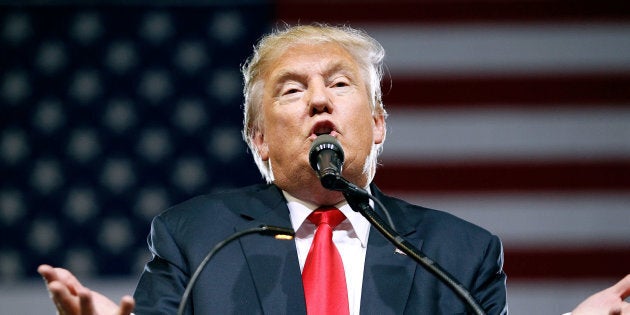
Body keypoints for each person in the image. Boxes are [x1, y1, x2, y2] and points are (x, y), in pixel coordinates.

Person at [36, 23, 626, 315]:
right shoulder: (198, 238)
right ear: (259, 139)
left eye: (340, 84)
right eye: (292, 90)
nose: (320, 100)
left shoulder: (458, 253)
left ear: (378, 123)